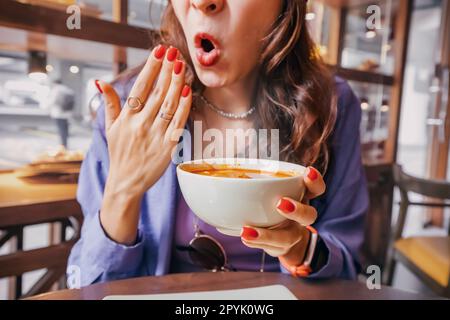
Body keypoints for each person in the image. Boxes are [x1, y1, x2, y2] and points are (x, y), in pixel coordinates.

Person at [68, 0, 368, 287]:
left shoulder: (330, 105)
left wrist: (303, 250)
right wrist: (122, 191)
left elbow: (347, 270)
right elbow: (90, 283)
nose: (202, 2)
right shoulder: (131, 108)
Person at [45, 79, 75, 148]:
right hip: (67, 114)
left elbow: (52, 101)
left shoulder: (56, 90)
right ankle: (65, 144)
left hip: (58, 113)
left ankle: (63, 145)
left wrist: (46, 108)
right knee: (65, 129)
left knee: (61, 129)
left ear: (55, 83)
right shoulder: (68, 90)